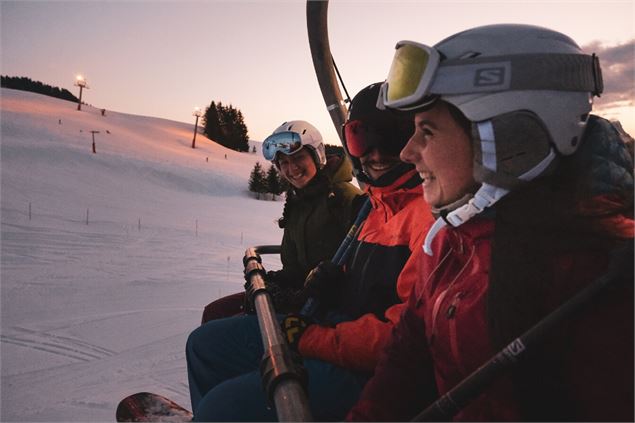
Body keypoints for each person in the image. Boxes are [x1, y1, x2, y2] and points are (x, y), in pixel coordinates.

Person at [347, 24, 634, 421]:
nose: (408, 151)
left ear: (506, 140)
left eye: (426, 131)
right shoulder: (451, 239)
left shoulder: (600, 275)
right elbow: (405, 358)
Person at [185, 82, 434, 421]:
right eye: (362, 139)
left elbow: (403, 332)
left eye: (392, 137)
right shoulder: (371, 205)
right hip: (330, 325)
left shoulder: (370, 205)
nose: (376, 154)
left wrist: (308, 326)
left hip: (354, 355)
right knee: (205, 344)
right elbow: (350, 274)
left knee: (222, 406)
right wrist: (314, 284)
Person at [201, 120, 362, 323]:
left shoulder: (344, 198)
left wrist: (308, 293)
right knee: (215, 312)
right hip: (301, 298)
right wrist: (275, 282)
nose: (291, 168)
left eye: (298, 158)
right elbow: (296, 267)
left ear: (317, 156)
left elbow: (362, 265)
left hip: (328, 308)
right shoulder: (300, 202)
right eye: (283, 162)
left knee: (213, 333)